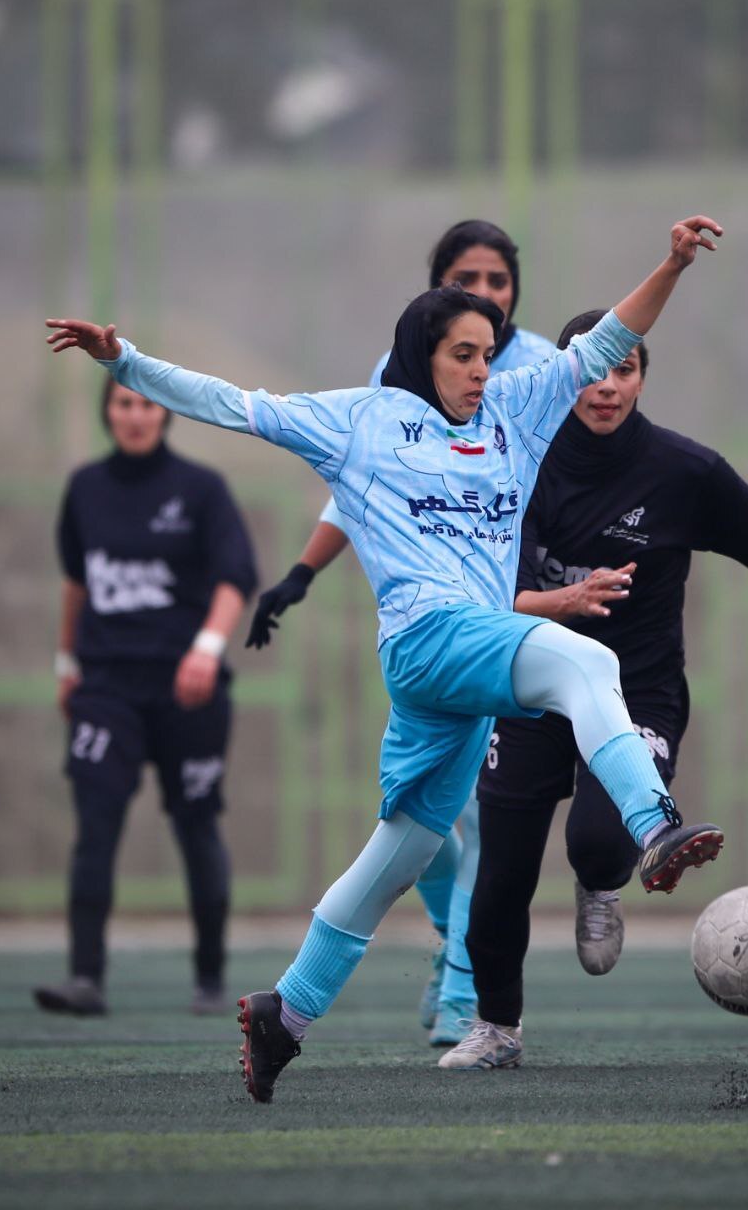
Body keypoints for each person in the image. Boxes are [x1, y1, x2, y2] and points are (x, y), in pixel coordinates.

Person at [45, 212, 726, 1103]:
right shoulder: (358, 421)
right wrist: (123, 360)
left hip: (457, 671)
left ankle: (284, 1014)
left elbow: (608, 340)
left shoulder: (515, 410)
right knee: (586, 666)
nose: (481, 370)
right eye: (463, 355)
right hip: (425, 638)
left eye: (488, 354)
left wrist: (671, 263)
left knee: (404, 849)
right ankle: (654, 826)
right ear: (420, 352)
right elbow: (231, 404)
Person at [438, 311, 748, 1070]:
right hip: (528, 687)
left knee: (599, 841)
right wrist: (563, 602)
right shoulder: (514, 461)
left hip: (637, 694)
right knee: (500, 874)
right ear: (567, 375)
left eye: (624, 370)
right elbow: (485, 596)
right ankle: (497, 1028)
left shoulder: (682, 472)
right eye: (593, 370)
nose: (606, 386)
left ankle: (601, 884)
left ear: (641, 379)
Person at [248, 219, 556, 1047]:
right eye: (467, 278)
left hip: (525, 597)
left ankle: (463, 994)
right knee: (427, 822)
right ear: (437, 289)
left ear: (516, 288)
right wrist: (302, 572)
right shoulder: (403, 372)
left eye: (498, 279)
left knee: (489, 816)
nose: (485, 293)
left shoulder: (537, 368)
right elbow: (358, 479)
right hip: (434, 614)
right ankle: (450, 942)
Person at [33, 378, 258, 1016]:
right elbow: (77, 582)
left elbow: (235, 578)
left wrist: (206, 649)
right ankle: (85, 979)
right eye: (123, 404)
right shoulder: (85, 488)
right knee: (95, 821)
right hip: (106, 686)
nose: (135, 415)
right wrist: (67, 662)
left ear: (165, 413)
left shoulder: (201, 489)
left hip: (187, 686)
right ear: (108, 412)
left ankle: (210, 979)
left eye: (146, 404)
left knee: (196, 823)